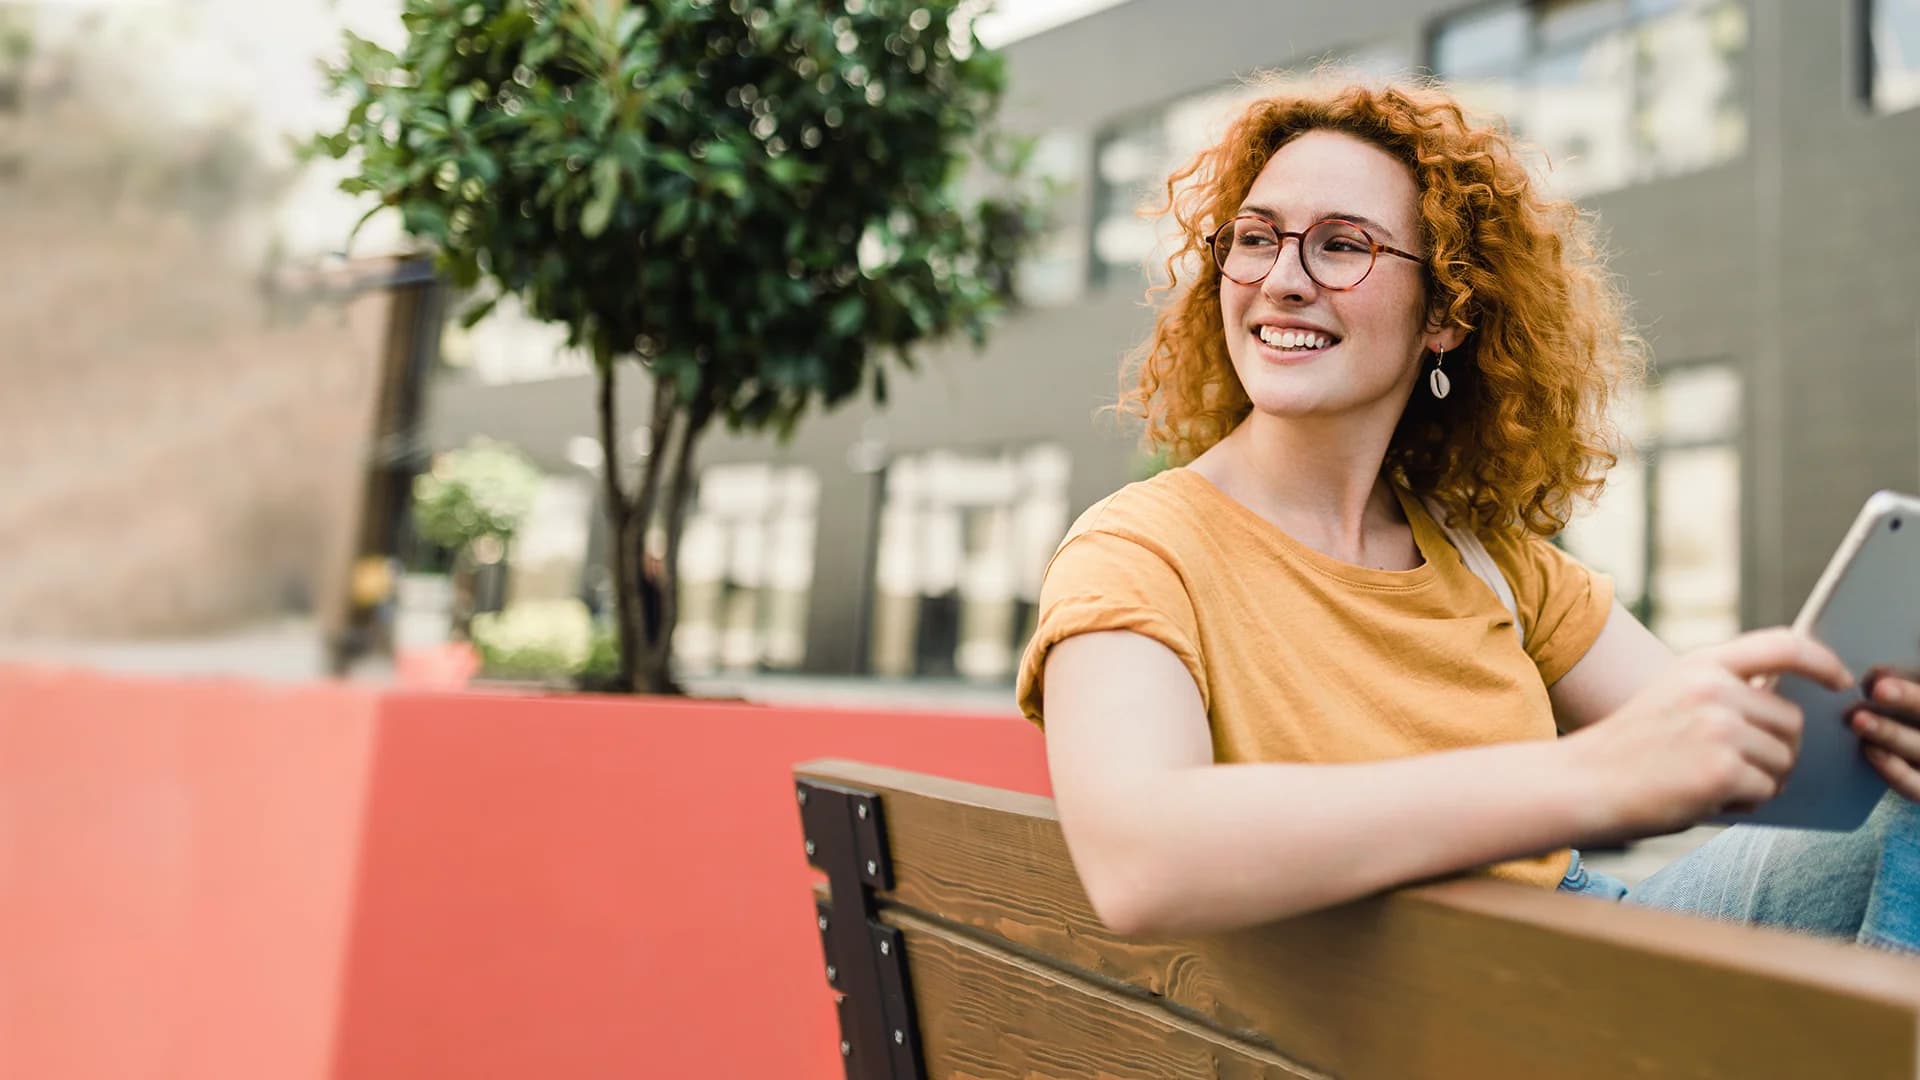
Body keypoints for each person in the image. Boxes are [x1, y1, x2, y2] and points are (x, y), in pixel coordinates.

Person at [1013, 78, 1920, 953]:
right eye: (1257, 238)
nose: (1282, 279)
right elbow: (1143, 862)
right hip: (1485, 1015)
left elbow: (1719, 755)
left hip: (1572, 959)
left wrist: (1855, 726)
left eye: (1342, 245)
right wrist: (1585, 777)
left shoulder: (1488, 559)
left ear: (1444, 312)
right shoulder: (1134, 552)